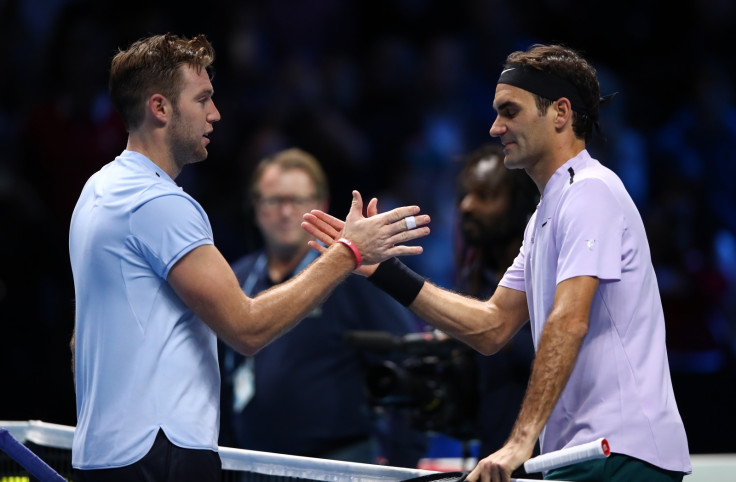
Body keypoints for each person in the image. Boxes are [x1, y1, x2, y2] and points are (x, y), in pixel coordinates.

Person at [302, 44, 691, 482]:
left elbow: (568, 320)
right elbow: (492, 327)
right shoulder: (548, 213)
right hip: (580, 457)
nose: (494, 127)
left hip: (621, 453)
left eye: (509, 111)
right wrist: (381, 270)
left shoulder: (591, 191)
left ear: (560, 113)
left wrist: (521, 440)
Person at [68, 33, 429, 482]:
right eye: (202, 100)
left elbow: (81, 342)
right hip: (159, 455)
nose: (215, 114)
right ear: (159, 108)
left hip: (105, 452)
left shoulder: (96, 191)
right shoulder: (158, 203)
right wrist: (349, 251)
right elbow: (248, 329)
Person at [219, 147, 427, 466]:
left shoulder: (353, 276)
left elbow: (407, 358)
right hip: (251, 465)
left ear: (322, 206)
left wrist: (403, 463)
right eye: (274, 201)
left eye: (298, 201)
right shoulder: (237, 278)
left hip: (340, 463)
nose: (286, 212)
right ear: (256, 207)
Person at [453, 144, 538, 461]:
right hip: (493, 463)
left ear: (519, 205)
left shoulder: (552, 276)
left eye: (484, 195)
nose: (466, 206)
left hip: (552, 462)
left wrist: (494, 332)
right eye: (465, 195)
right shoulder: (473, 282)